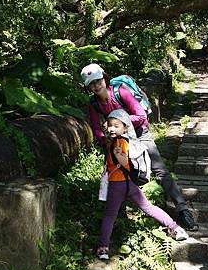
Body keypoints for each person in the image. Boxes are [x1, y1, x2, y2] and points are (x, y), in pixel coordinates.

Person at [81, 63, 199, 231]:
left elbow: (141, 115)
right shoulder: (94, 104)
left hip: (139, 134)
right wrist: (105, 139)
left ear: (104, 78)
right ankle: (118, 218)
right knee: (116, 173)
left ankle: (183, 210)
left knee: (160, 170)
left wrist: (120, 123)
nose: (96, 86)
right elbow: (96, 128)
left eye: (98, 80)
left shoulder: (120, 91)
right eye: (91, 84)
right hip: (118, 139)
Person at [96, 109, 188, 260]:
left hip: (118, 184)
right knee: (148, 208)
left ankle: (103, 248)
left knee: (109, 216)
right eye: (110, 125)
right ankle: (175, 228)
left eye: (116, 125)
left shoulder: (120, 142)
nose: (112, 128)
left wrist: (120, 156)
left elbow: (125, 162)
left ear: (125, 127)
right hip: (130, 184)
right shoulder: (125, 140)